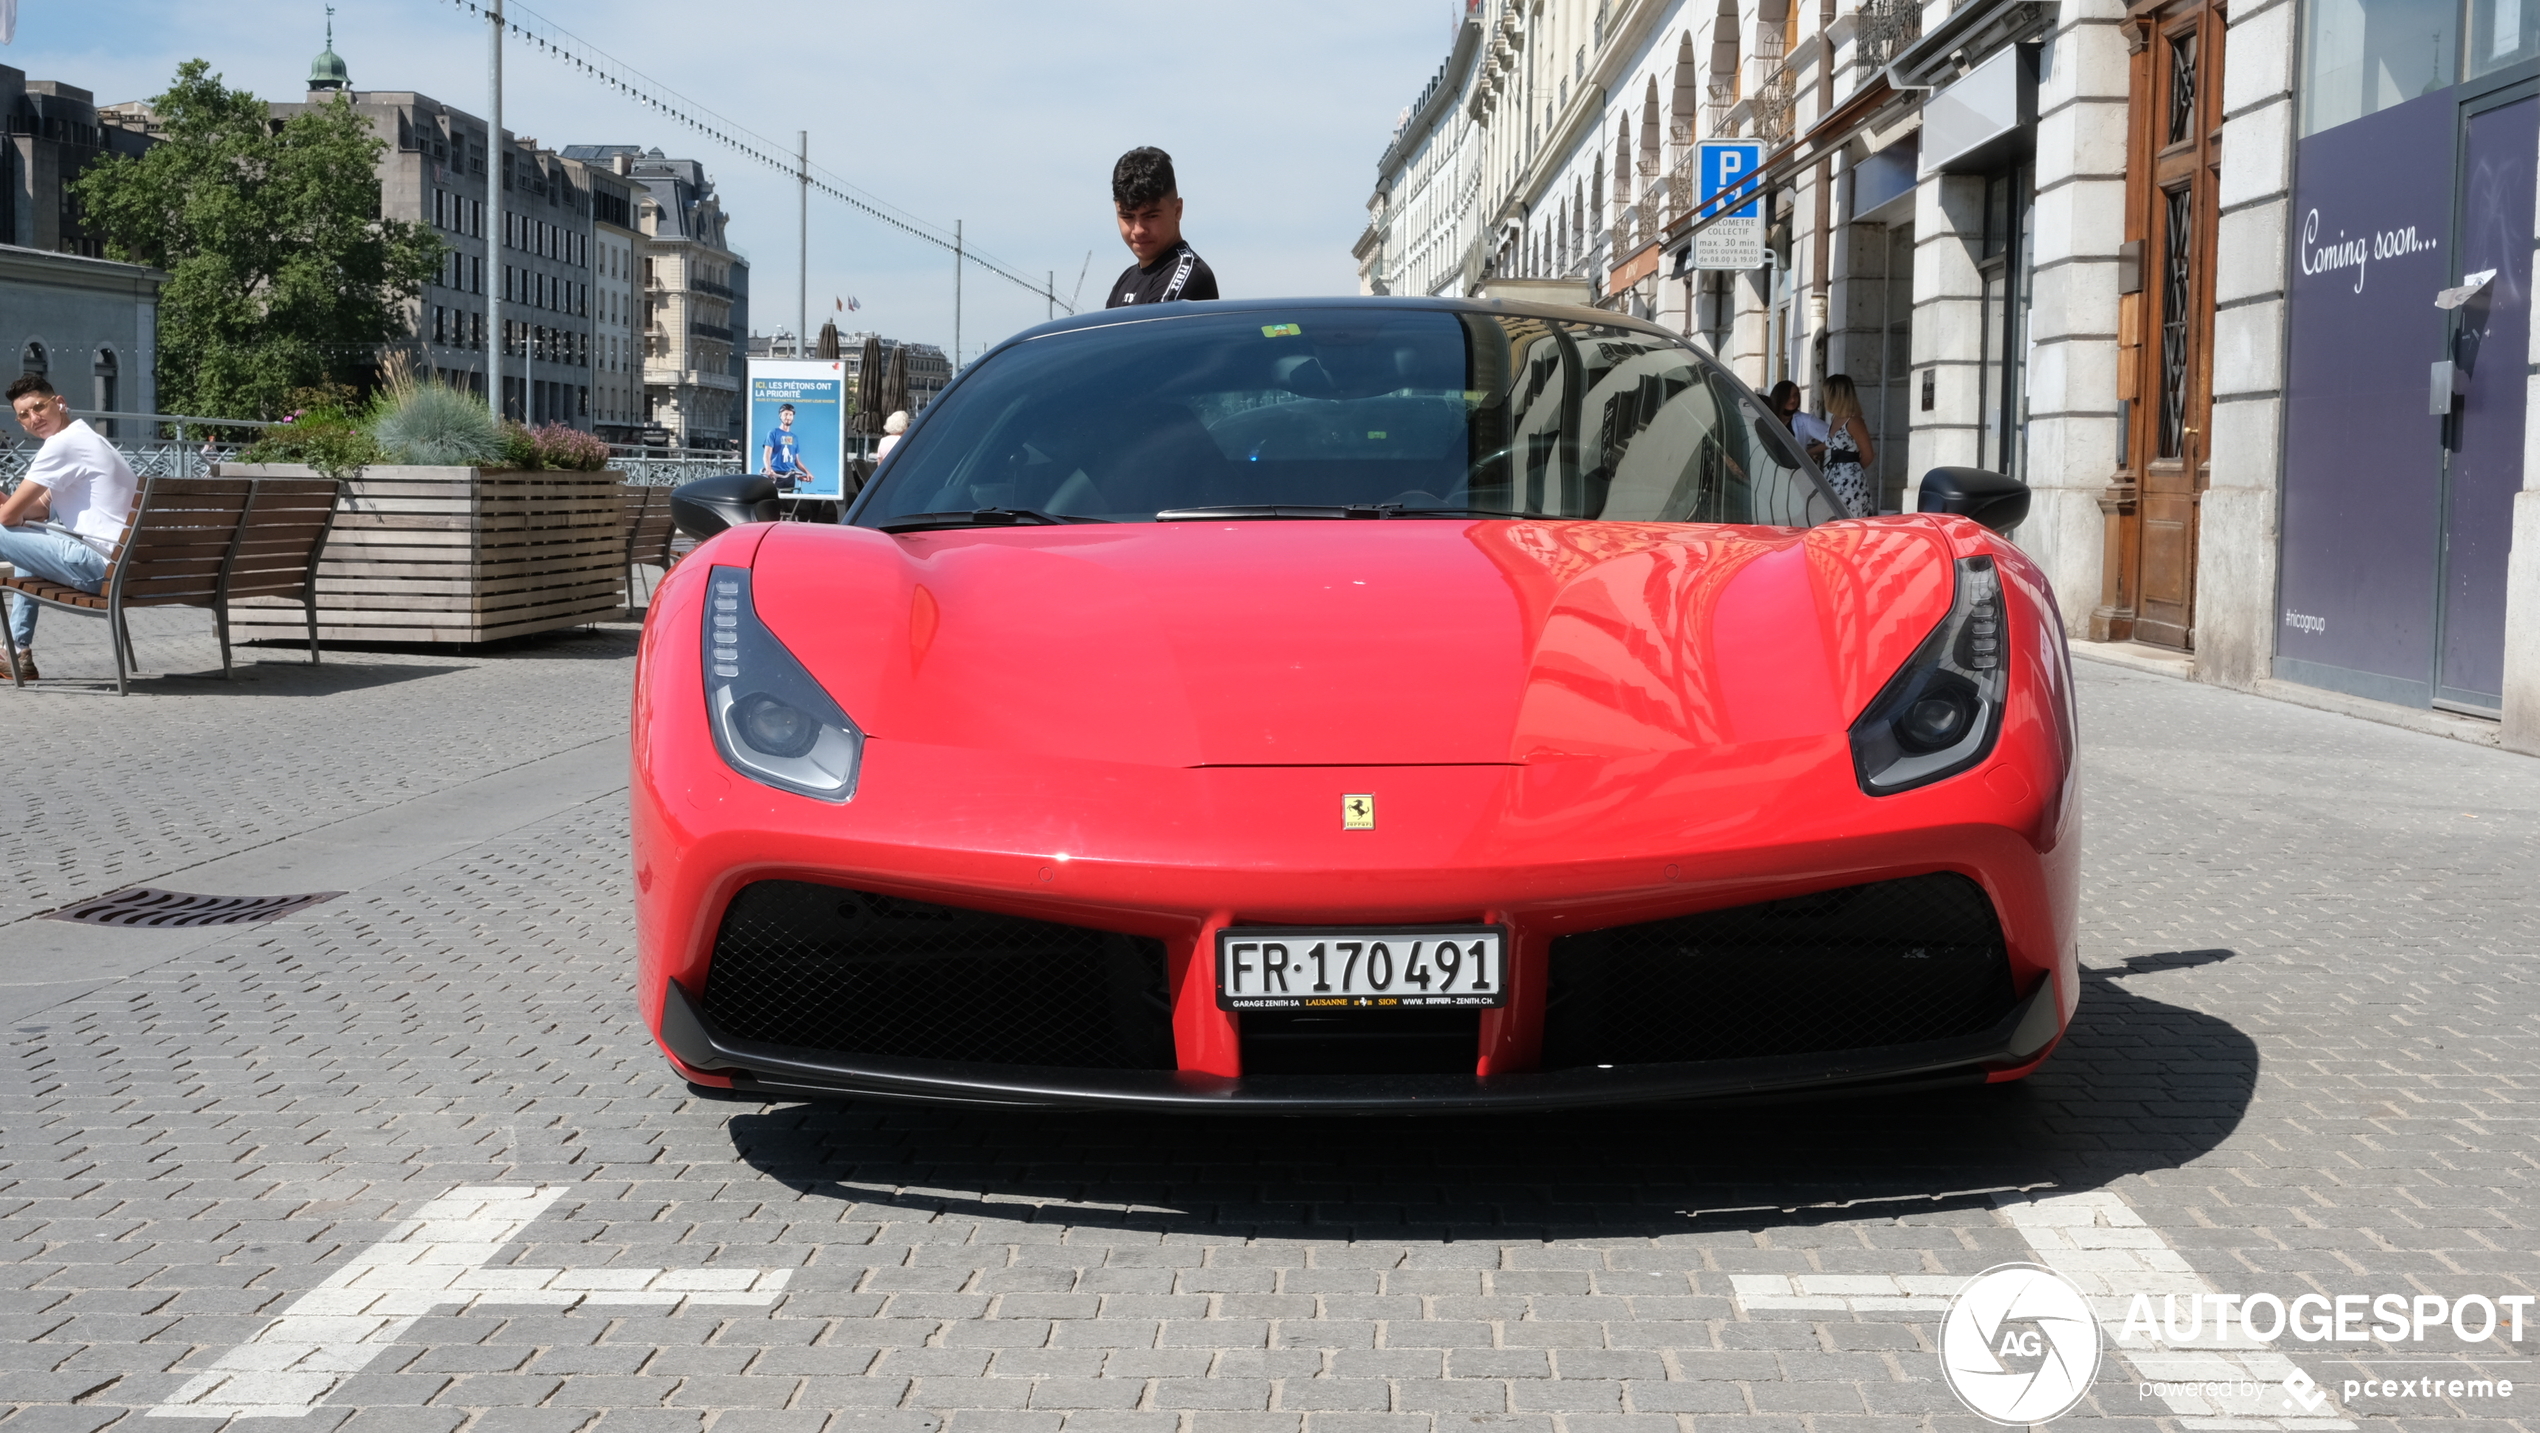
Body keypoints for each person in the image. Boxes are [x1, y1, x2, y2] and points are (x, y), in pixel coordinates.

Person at [0, 376, 138, 682]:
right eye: (24, 414)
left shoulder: (62, 446)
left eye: (39, 407)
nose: (34, 418)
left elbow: (8, 519)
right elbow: (34, 510)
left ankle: (16, 648)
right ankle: (17, 650)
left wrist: (11, 514)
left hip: (100, 567)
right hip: (124, 564)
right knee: (30, 536)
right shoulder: (87, 438)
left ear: (59, 402)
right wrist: (11, 512)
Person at [1105, 147, 1219, 309]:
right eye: (1127, 217)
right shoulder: (1126, 280)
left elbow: (1150, 333)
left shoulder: (1187, 273)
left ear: (1177, 210)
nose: (1138, 230)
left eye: (1151, 216)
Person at [1819, 374, 1877, 517]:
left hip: (1850, 482)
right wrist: (1807, 453)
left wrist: (1851, 470)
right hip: (1833, 476)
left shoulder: (1854, 422)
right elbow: (1831, 443)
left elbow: (1868, 455)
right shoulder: (1835, 418)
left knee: (1848, 519)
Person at [1767, 380, 1828, 465]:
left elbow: (1834, 437)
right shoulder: (1767, 418)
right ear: (1779, 397)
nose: (1793, 400)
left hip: (1794, 472)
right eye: (1788, 396)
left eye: (1795, 395)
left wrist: (1807, 454)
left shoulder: (1806, 420)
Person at [760, 403, 814, 490]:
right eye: (785, 414)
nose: (788, 417)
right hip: (776, 474)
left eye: (790, 415)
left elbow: (797, 461)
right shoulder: (773, 433)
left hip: (790, 475)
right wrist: (768, 469)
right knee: (775, 500)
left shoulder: (794, 437)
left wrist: (807, 472)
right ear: (780, 416)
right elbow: (767, 455)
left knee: (789, 502)